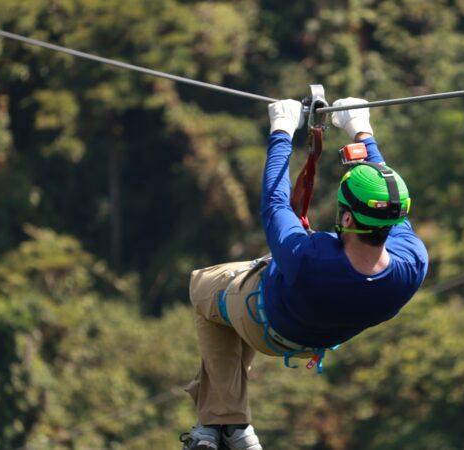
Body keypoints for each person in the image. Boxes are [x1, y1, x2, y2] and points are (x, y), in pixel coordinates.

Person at [182, 98, 428, 450]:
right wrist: (361, 130)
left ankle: (223, 421)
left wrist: (281, 131)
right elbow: (389, 203)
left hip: (263, 321)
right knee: (232, 300)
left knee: (203, 286)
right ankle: (228, 429)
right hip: (314, 342)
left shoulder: (309, 257)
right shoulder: (412, 264)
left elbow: (275, 204)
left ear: (345, 219)